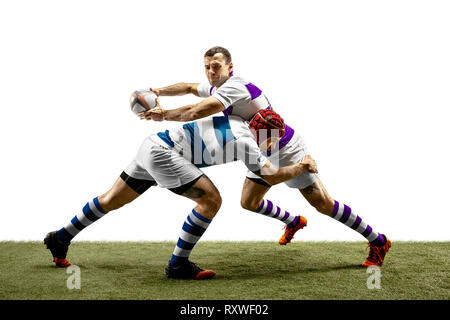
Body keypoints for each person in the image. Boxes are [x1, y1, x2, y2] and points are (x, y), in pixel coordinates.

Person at [140, 46, 391, 267]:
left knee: (323, 204)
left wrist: (163, 115)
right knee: (248, 202)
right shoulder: (217, 86)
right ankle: (293, 221)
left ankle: (377, 241)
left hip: (285, 148)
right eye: (207, 67)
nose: (211, 72)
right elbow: (189, 88)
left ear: (230, 67)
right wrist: (157, 92)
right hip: (259, 149)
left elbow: (197, 111)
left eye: (216, 66)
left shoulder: (235, 86)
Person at [44, 109, 318, 280]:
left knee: (110, 200)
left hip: (152, 145)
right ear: (264, 132)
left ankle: (61, 237)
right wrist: (302, 165)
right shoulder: (248, 143)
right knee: (211, 200)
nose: (273, 143)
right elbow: (271, 175)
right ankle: (178, 266)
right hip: (165, 155)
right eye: (272, 137)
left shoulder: (236, 120)